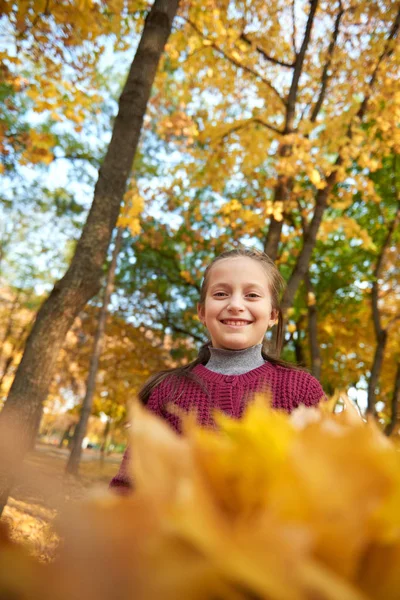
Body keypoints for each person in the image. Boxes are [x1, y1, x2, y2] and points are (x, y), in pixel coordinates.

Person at [110, 247, 326, 491]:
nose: (235, 305)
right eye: (221, 293)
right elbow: (129, 485)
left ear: (273, 314)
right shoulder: (168, 392)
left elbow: (329, 482)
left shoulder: (302, 390)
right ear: (202, 312)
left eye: (252, 295)